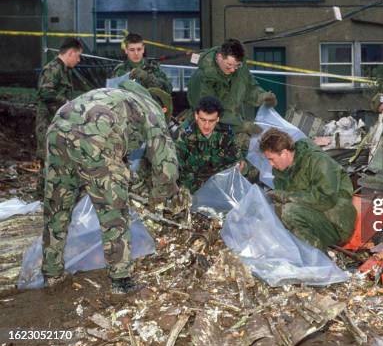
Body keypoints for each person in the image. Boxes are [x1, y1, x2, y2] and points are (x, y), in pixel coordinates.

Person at [41, 80, 179, 294]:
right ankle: (121, 280)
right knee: (113, 213)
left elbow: (119, 145)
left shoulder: (118, 95)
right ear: (164, 108)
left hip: (58, 127)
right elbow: (165, 163)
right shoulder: (152, 110)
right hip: (94, 137)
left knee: (57, 205)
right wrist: (162, 196)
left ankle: (52, 272)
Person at [259, 128, 356, 250]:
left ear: (284, 153)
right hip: (310, 215)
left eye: (271, 159)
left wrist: (286, 196)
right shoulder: (281, 172)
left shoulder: (317, 160)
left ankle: (318, 260)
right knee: (271, 212)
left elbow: (325, 199)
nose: (271, 164)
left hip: (335, 223)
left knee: (289, 212)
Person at [186, 38, 277, 146]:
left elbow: (248, 87)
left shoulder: (239, 68)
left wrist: (262, 96)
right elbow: (208, 112)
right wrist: (242, 125)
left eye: (237, 65)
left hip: (236, 129)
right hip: (207, 134)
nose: (233, 70)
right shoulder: (202, 77)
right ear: (219, 57)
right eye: (229, 65)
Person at [176, 96, 245, 193]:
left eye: (211, 121)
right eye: (203, 120)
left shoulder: (225, 133)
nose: (206, 126)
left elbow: (236, 162)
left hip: (220, 184)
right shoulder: (183, 136)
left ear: (217, 119)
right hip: (192, 187)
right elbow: (180, 174)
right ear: (196, 116)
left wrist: (238, 166)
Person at [35, 37, 83, 160]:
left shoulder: (65, 70)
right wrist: (66, 102)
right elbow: (44, 92)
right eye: (78, 56)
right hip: (48, 123)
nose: (79, 60)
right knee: (47, 161)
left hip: (59, 123)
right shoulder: (53, 69)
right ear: (71, 53)